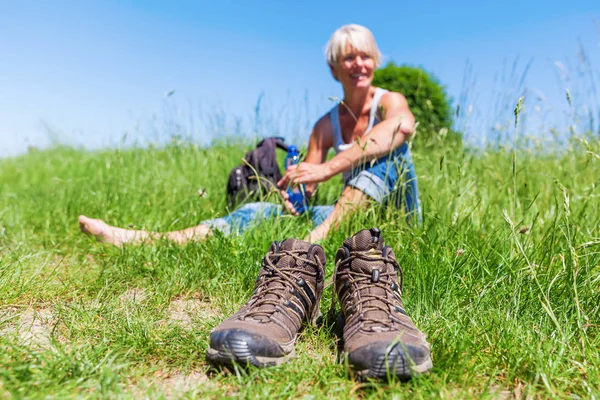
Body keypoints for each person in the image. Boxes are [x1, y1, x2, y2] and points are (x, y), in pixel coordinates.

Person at [79, 24, 421, 246]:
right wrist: (297, 192)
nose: (358, 64)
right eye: (349, 57)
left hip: (397, 220)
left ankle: (315, 241)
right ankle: (146, 239)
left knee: (390, 149)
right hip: (350, 218)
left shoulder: (389, 101)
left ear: (374, 61)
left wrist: (329, 168)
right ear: (334, 68)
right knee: (257, 211)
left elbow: (401, 127)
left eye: (365, 56)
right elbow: (309, 183)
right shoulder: (324, 125)